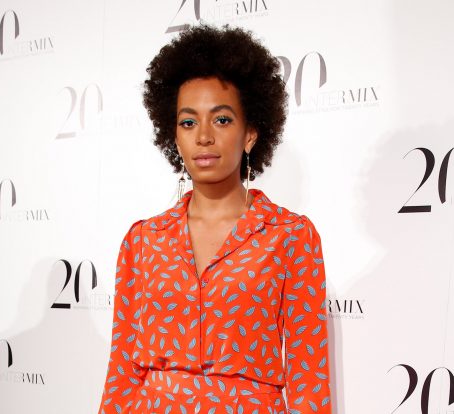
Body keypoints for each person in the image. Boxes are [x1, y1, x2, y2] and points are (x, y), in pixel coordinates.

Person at [98, 24, 332, 414]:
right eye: (188, 122)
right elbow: (122, 371)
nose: (203, 136)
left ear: (250, 133)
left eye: (221, 120)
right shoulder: (142, 241)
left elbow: (309, 380)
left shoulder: (291, 237)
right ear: (174, 136)